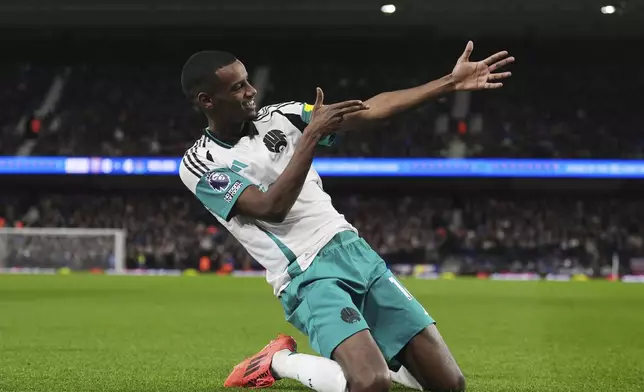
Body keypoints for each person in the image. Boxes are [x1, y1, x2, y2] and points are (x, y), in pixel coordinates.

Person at [179, 42, 514, 392]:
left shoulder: (283, 115)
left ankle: (376, 356)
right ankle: (279, 360)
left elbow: (368, 110)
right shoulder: (200, 163)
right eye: (238, 87)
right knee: (370, 384)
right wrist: (311, 137)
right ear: (207, 101)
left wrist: (449, 82)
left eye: (248, 81)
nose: (252, 91)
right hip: (305, 273)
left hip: (354, 250)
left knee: (449, 385)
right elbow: (270, 208)